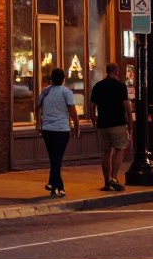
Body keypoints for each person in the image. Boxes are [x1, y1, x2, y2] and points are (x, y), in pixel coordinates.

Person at [36, 67, 80, 197]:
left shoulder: (45, 91)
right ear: (63, 80)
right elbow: (73, 112)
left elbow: (37, 107)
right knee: (57, 158)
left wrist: (38, 124)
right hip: (62, 129)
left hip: (47, 130)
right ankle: (54, 185)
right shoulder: (66, 92)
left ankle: (57, 186)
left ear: (51, 79)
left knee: (54, 158)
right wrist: (76, 127)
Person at [90, 62, 133, 192]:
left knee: (105, 152)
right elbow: (127, 108)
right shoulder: (120, 87)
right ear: (116, 71)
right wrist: (130, 124)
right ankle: (114, 178)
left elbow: (92, 107)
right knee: (120, 149)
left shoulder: (98, 86)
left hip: (103, 124)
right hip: (118, 123)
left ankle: (106, 181)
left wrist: (94, 121)